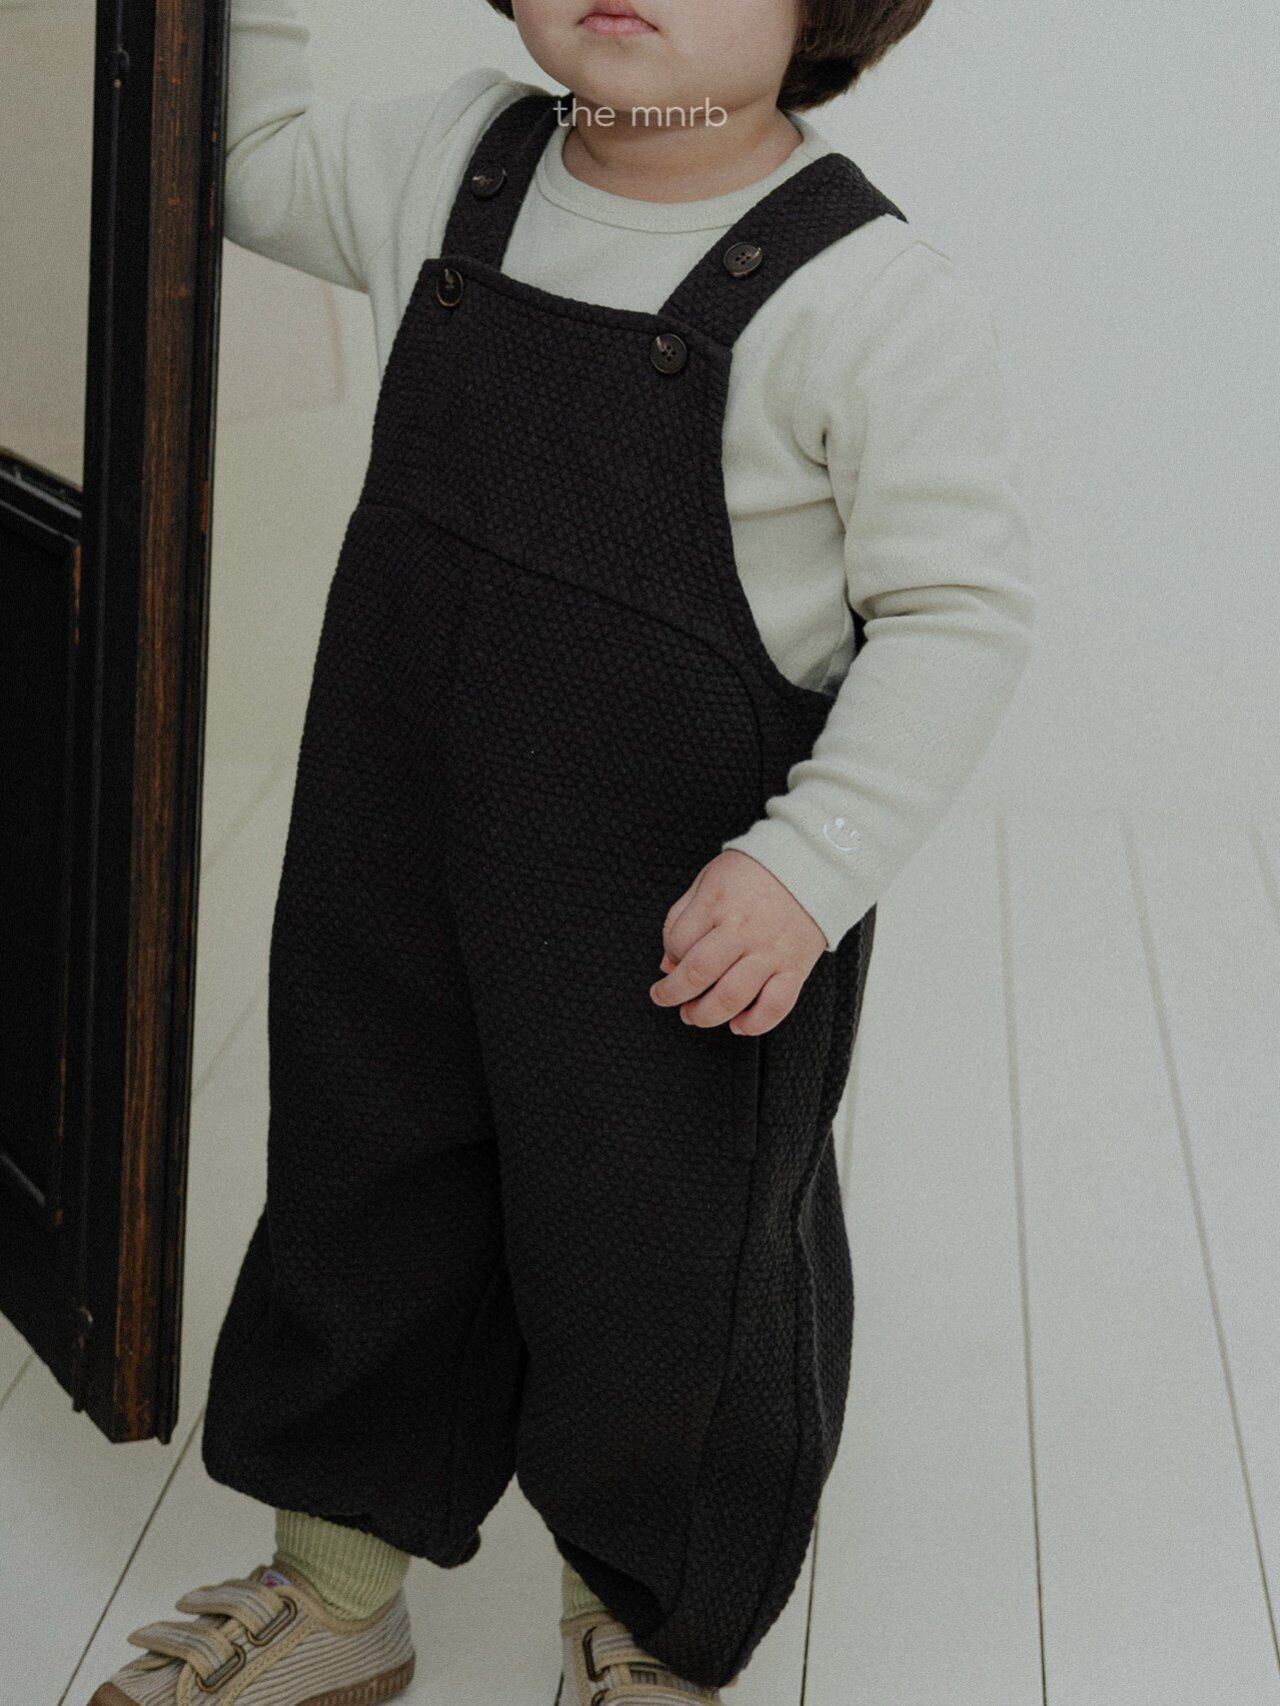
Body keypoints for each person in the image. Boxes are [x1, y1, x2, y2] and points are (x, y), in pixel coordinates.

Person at [89, 0, 1037, 1700]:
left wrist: (809, 863)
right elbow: (223, 158)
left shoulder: (864, 295)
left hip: (677, 911)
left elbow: (955, 612)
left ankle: (647, 1625)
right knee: (362, 1192)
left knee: (660, 1261)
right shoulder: (452, 157)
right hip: (395, 846)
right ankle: (337, 1586)